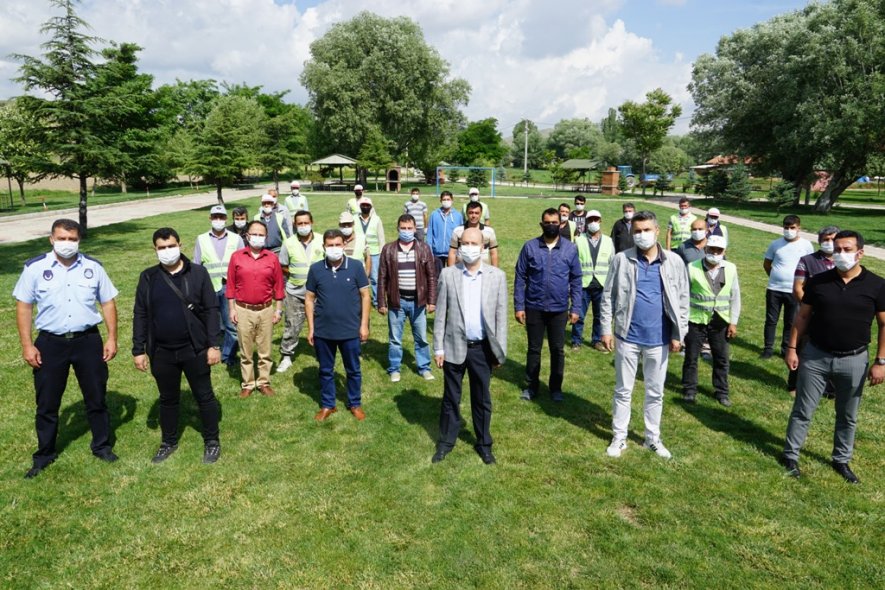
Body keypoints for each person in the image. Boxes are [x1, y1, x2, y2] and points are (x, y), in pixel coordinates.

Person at [13, 219, 119, 479]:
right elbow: (24, 306)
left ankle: (102, 446)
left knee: (96, 397)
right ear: (51, 239)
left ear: (79, 240)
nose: (67, 244)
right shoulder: (35, 268)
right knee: (47, 402)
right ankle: (44, 454)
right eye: (62, 238)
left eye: (72, 239)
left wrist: (112, 338)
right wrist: (27, 345)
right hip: (50, 343)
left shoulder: (93, 267)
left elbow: (107, 302)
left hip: (88, 341)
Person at [782, 230, 885, 483]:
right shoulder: (818, 282)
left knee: (847, 415)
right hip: (815, 356)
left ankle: (841, 459)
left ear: (860, 253)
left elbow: (884, 324)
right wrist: (792, 348)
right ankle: (790, 455)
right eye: (837, 249)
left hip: (854, 360)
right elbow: (803, 316)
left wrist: (881, 361)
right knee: (803, 409)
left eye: (847, 249)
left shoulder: (877, 285)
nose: (840, 254)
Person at [600, 210, 689, 459]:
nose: (642, 235)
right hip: (627, 336)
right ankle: (619, 437)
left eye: (647, 230)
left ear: (657, 231)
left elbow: (683, 300)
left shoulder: (674, 261)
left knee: (655, 392)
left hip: (659, 339)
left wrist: (679, 333)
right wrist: (606, 329)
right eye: (637, 231)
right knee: (623, 390)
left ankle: (652, 438)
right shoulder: (621, 259)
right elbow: (608, 296)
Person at [133, 228, 222, 465]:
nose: (167, 251)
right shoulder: (148, 277)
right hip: (161, 351)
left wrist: (214, 345)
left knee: (204, 396)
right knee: (168, 398)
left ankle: (212, 441)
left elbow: (211, 309)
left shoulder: (198, 273)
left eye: (171, 246)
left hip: (194, 348)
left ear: (180, 245)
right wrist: (138, 349)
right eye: (161, 248)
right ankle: (168, 441)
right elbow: (140, 313)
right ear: (155, 250)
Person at [432, 227, 508, 465]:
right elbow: (440, 314)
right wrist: (438, 347)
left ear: (483, 247)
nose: (469, 247)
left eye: (474, 243)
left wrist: (499, 351)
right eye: (465, 243)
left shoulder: (497, 276)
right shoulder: (448, 275)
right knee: (450, 398)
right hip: (454, 346)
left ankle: (484, 444)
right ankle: (446, 441)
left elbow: (501, 317)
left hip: (482, 349)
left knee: (482, 398)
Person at [514, 208, 582, 402]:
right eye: (547, 222)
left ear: (561, 224)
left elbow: (576, 279)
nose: (551, 225)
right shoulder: (530, 247)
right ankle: (531, 387)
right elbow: (520, 277)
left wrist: (575, 307)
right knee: (534, 349)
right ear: (541, 224)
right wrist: (519, 306)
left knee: (557, 350)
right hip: (534, 306)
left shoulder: (570, 249)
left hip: (559, 308)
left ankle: (556, 388)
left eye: (554, 222)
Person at [305, 230, 371, 421]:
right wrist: (311, 328)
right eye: (330, 245)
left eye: (337, 245)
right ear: (324, 247)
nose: (334, 248)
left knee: (353, 369)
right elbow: (309, 299)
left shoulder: (356, 266)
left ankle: (354, 403)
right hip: (323, 330)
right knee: (326, 370)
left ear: (344, 245)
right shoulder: (316, 269)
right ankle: (328, 405)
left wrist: (364, 325)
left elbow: (365, 296)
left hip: (350, 329)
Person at [226, 221, 284, 398]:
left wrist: (278, 310)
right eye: (254, 234)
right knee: (246, 350)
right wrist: (232, 309)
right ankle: (248, 383)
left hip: (265, 309)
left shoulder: (272, 258)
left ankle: (264, 382)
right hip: (243, 309)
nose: (258, 237)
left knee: (265, 350)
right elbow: (231, 285)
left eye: (261, 235)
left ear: (266, 237)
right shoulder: (237, 257)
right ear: (247, 236)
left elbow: (278, 286)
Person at [681, 235, 741, 407]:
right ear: (705, 249)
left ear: (724, 251)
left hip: (720, 321)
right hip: (696, 319)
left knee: (721, 358)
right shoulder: (692, 267)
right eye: (712, 249)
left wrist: (733, 322)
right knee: (691, 357)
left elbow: (735, 296)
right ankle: (689, 389)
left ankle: (722, 392)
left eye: (719, 250)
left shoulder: (730, 268)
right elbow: (683, 295)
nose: (715, 253)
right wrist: (682, 321)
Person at [377, 215, 438, 382]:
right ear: (398, 229)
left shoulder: (424, 248)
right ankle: (394, 368)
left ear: (415, 229)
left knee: (421, 338)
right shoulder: (388, 249)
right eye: (403, 228)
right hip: (397, 302)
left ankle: (424, 367)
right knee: (395, 339)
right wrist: (381, 302)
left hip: (418, 301)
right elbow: (382, 277)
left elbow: (431, 276)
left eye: (409, 228)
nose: (406, 231)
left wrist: (432, 300)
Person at [788, 225, 840, 397]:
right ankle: (795, 384)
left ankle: (830, 388)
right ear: (819, 241)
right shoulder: (807, 261)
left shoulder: (843, 262)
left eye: (833, 239)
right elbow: (798, 288)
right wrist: (811, 307)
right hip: (810, 313)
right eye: (826, 239)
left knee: (833, 348)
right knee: (803, 347)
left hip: (834, 317)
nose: (829, 242)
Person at [193, 204, 244, 367]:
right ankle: (210, 350)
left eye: (221, 217)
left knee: (232, 324)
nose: (218, 220)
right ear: (210, 218)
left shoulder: (236, 239)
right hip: (208, 288)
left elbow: (243, 264)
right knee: (209, 322)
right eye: (215, 217)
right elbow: (196, 265)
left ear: (226, 219)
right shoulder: (201, 239)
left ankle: (228, 355)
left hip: (229, 287)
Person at [276, 210, 325, 373]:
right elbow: (283, 265)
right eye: (300, 223)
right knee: (292, 324)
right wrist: (293, 273)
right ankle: (286, 356)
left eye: (306, 223)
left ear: (312, 223)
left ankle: (322, 353)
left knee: (321, 324)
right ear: (295, 225)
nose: (303, 226)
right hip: (295, 292)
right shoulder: (288, 243)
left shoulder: (321, 240)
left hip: (319, 293)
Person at [762, 215, 814, 359]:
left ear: (799, 228)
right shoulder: (775, 244)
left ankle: (786, 349)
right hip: (774, 289)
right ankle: (768, 349)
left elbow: (809, 267)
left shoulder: (806, 245)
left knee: (790, 321)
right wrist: (775, 276)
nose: (789, 230)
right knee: (771, 320)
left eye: (792, 228)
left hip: (794, 291)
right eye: (786, 227)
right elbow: (767, 264)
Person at [571, 209, 613, 352]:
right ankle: (576, 341)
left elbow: (612, 263)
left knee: (600, 316)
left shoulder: (608, 241)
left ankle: (597, 340)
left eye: (596, 219)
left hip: (602, 285)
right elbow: (574, 263)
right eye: (590, 220)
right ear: (586, 222)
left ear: (600, 221)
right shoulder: (579, 240)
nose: (593, 222)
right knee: (579, 315)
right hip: (583, 284)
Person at [447, 200, 499, 267]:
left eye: (476, 213)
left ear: (481, 214)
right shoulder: (457, 231)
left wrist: (494, 270)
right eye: (471, 213)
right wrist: (451, 271)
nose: (473, 215)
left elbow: (493, 253)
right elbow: (452, 253)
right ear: (466, 213)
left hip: (484, 270)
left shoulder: (489, 231)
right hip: (461, 269)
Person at [354, 195, 385, 307]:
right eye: (363, 205)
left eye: (367, 205)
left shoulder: (377, 219)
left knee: (375, 278)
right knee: (357, 277)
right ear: (360, 206)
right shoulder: (354, 218)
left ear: (371, 207)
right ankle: (357, 299)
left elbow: (381, 237)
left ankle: (377, 301)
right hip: (359, 253)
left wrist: (382, 253)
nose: (365, 207)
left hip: (374, 253)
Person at [426, 190, 464, 276]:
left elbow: (461, 235)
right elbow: (429, 235)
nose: (446, 201)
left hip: (452, 253)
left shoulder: (458, 216)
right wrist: (430, 252)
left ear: (452, 200)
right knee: (438, 277)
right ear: (440, 200)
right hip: (437, 253)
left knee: (452, 276)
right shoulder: (434, 215)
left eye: (448, 199)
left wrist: (459, 252)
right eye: (444, 199)